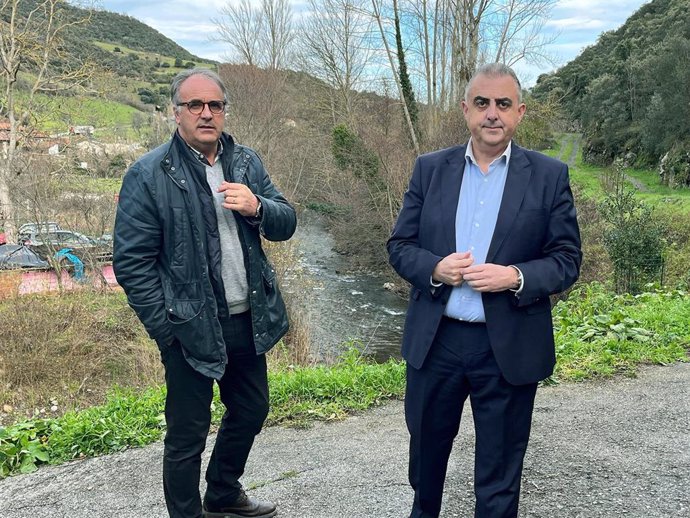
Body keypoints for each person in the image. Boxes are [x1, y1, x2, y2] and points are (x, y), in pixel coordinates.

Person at [387, 63, 582, 518]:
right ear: (465, 110)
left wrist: (515, 277)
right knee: (426, 463)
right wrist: (435, 267)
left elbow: (566, 260)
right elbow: (399, 247)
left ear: (520, 112)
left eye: (502, 104)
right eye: (482, 103)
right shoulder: (429, 169)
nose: (492, 114)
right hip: (437, 342)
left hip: (508, 343)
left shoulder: (550, 176)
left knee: (499, 475)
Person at [113, 68, 296, 518]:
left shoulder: (246, 163)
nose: (206, 113)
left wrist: (259, 207)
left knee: (251, 411)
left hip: (247, 319)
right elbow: (132, 263)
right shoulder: (149, 174)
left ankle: (222, 493)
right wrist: (166, 329)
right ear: (176, 113)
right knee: (186, 436)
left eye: (215, 105)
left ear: (224, 111)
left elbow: (286, 221)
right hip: (188, 327)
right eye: (195, 105)